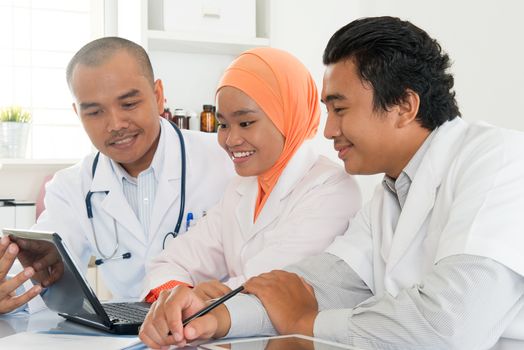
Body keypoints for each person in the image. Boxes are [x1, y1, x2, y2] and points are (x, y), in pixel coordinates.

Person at [138, 16, 524, 349]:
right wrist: (216, 316)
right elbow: (316, 284)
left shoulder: (499, 161)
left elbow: (451, 325)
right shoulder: (390, 195)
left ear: (405, 106)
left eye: (340, 109)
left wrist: (307, 324)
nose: (327, 130)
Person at [3, 36, 235, 306]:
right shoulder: (71, 187)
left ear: (158, 96)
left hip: (218, 334)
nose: (115, 124)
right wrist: (9, 290)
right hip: (129, 340)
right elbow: (37, 274)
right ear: (78, 114)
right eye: (95, 112)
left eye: (128, 104)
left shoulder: (226, 160)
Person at [140, 47, 361, 305]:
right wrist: (177, 296)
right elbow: (169, 263)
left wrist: (194, 302)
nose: (230, 140)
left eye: (245, 123)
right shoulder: (242, 186)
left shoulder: (332, 189)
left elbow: (265, 284)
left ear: (288, 116)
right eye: (223, 124)